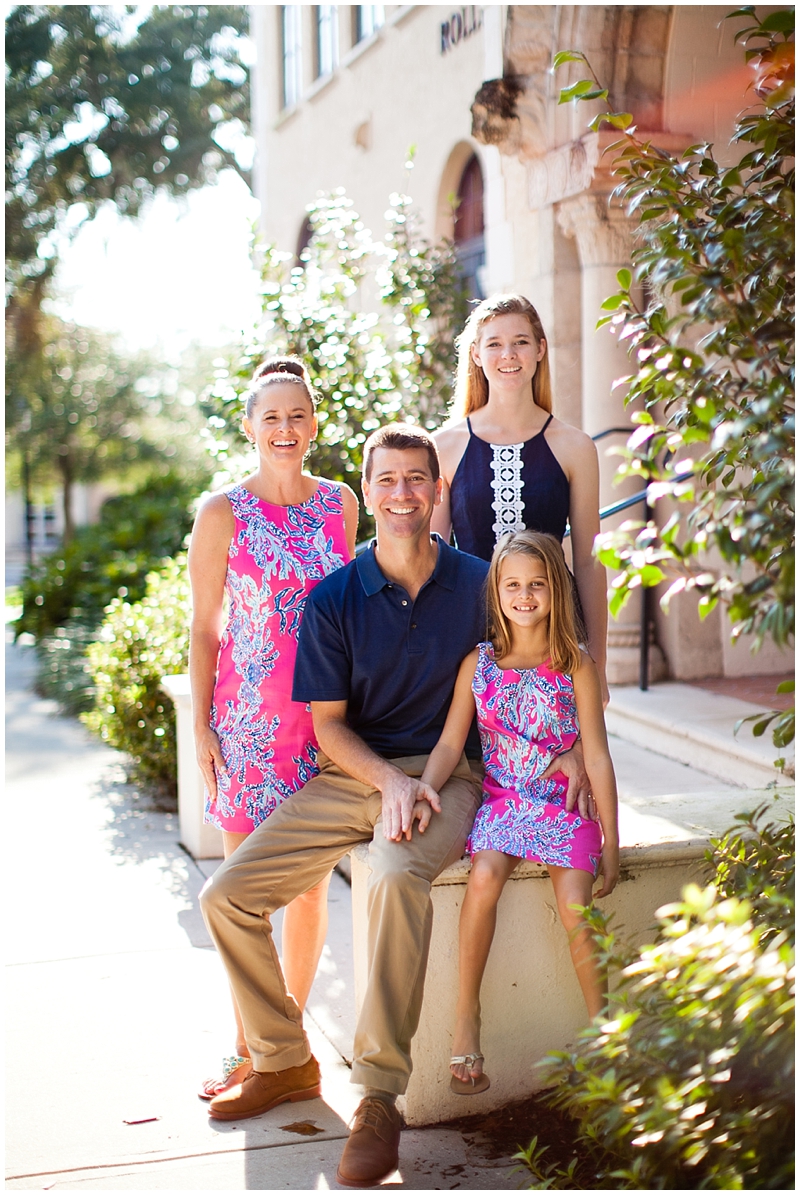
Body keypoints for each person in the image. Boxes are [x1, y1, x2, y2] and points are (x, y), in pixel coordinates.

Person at [200, 424, 593, 1187]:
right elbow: (328, 726)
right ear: (367, 490)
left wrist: (573, 746)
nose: (404, 493)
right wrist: (389, 783)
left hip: (453, 778)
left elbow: (543, 657)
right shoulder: (336, 596)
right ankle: (283, 1058)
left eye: (418, 479)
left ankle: (379, 1096)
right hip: (357, 773)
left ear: (437, 489)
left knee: (391, 870)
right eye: (388, 480)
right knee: (227, 897)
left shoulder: (481, 582)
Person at [188, 356, 358, 1100]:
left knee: (313, 895)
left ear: (313, 423)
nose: (285, 429)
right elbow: (202, 629)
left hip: (321, 726)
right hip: (248, 729)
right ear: (250, 426)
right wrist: (201, 728)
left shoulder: (341, 505)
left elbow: (351, 615)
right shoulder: (221, 513)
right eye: (272, 417)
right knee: (244, 900)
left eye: (298, 415)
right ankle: (248, 1046)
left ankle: (281, 1042)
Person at [418, 530, 619, 1094]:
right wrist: (424, 791)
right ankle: (466, 1017)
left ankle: (606, 1030)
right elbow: (450, 746)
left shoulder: (575, 664)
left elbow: (598, 757)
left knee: (574, 900)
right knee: (482, 876)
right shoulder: (477, 664)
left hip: (565, 803)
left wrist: (612, 840)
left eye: (536, 584)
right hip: (505, 801)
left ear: (556, 588)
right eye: (512, 585)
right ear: (497, 592)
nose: (524, 595)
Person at [431, 293, 609, 704]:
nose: (508, 354)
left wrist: (597, 662)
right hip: (473, 642)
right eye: (494, 343)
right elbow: (435, 561)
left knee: (565, 765)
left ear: (540, 349)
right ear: (476, 354)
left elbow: (588, 559)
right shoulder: (445, 447)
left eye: (521, 342)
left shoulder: (575, 446)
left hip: (558, 636)